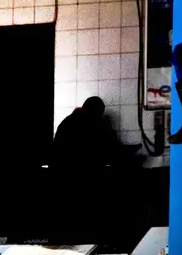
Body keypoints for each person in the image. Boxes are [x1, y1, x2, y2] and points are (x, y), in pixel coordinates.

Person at [51, 96, 130, 246]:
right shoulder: (96, 123)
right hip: (88, 179)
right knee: (89, 217)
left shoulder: (67, 122)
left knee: (69, 218)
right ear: (98, 111)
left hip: (63, 180)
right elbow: (112, 149)